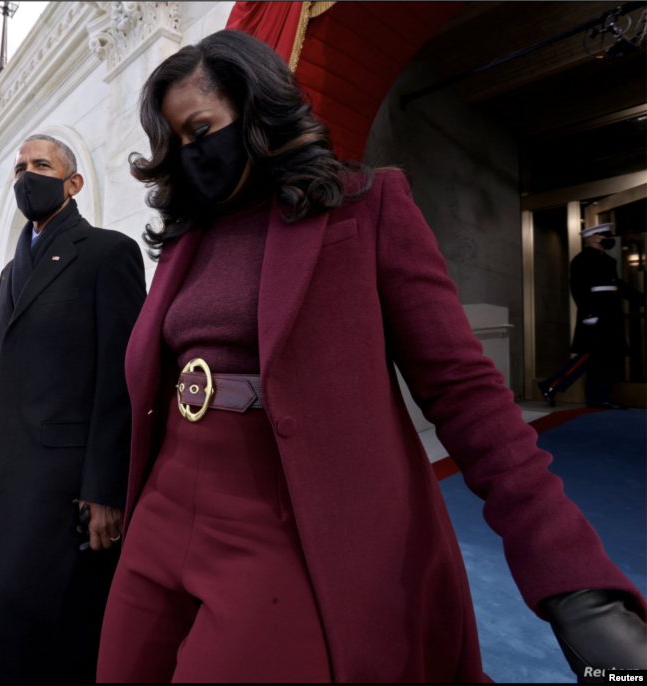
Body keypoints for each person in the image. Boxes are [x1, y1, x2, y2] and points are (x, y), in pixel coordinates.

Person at [93, 31, 647, 684]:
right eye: (175, 143)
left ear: (257, 109)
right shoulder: (185, 241)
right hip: (163, 511)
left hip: (281, 527)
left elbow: (466, 393)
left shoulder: (367, 205)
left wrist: (574, 579)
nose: (191, 155)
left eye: (202, 129)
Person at [0, 134, 145, 683]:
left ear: (73, 183)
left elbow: (122, 380)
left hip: (72, 489)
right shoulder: (10, 271)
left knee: (65, 627)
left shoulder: (109, 253)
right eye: (19, 166)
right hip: (13, 481)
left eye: (40, 165)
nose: (26, 175)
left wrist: (106, 487)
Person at [538, 223, 647, 409]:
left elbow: (617, 286)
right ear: (595, 237)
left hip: (609, 312)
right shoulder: (583, 259)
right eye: (606, 236)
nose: (609, 239)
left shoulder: (607, 260)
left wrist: (642, 299)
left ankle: (599, 398)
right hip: (596, 313)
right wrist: (589, 312)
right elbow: (578, 287)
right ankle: (552, 384)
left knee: (605, 357)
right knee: (591, 354)